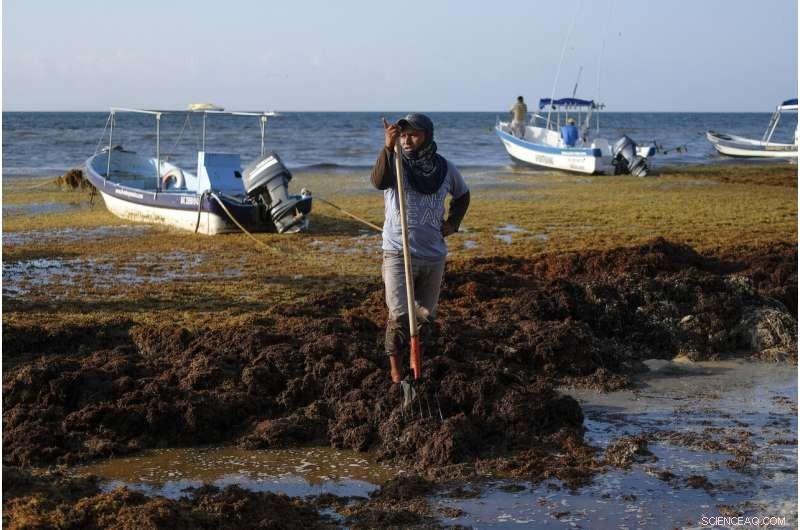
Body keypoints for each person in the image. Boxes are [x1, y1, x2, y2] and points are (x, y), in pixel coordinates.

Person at [371, 113, 470, 383]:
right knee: (400, 315)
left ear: (427, 136)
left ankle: (417, 367)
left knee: (425, 317)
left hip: (433, 255)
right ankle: (396, 372)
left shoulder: (445, 168)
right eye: (403, 135)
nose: (407, 140)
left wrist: (453, 223)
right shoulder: (394, 162)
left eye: (413, 135)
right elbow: (378, 182)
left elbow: (462, 195)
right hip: (397, 252)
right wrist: (387, 147)